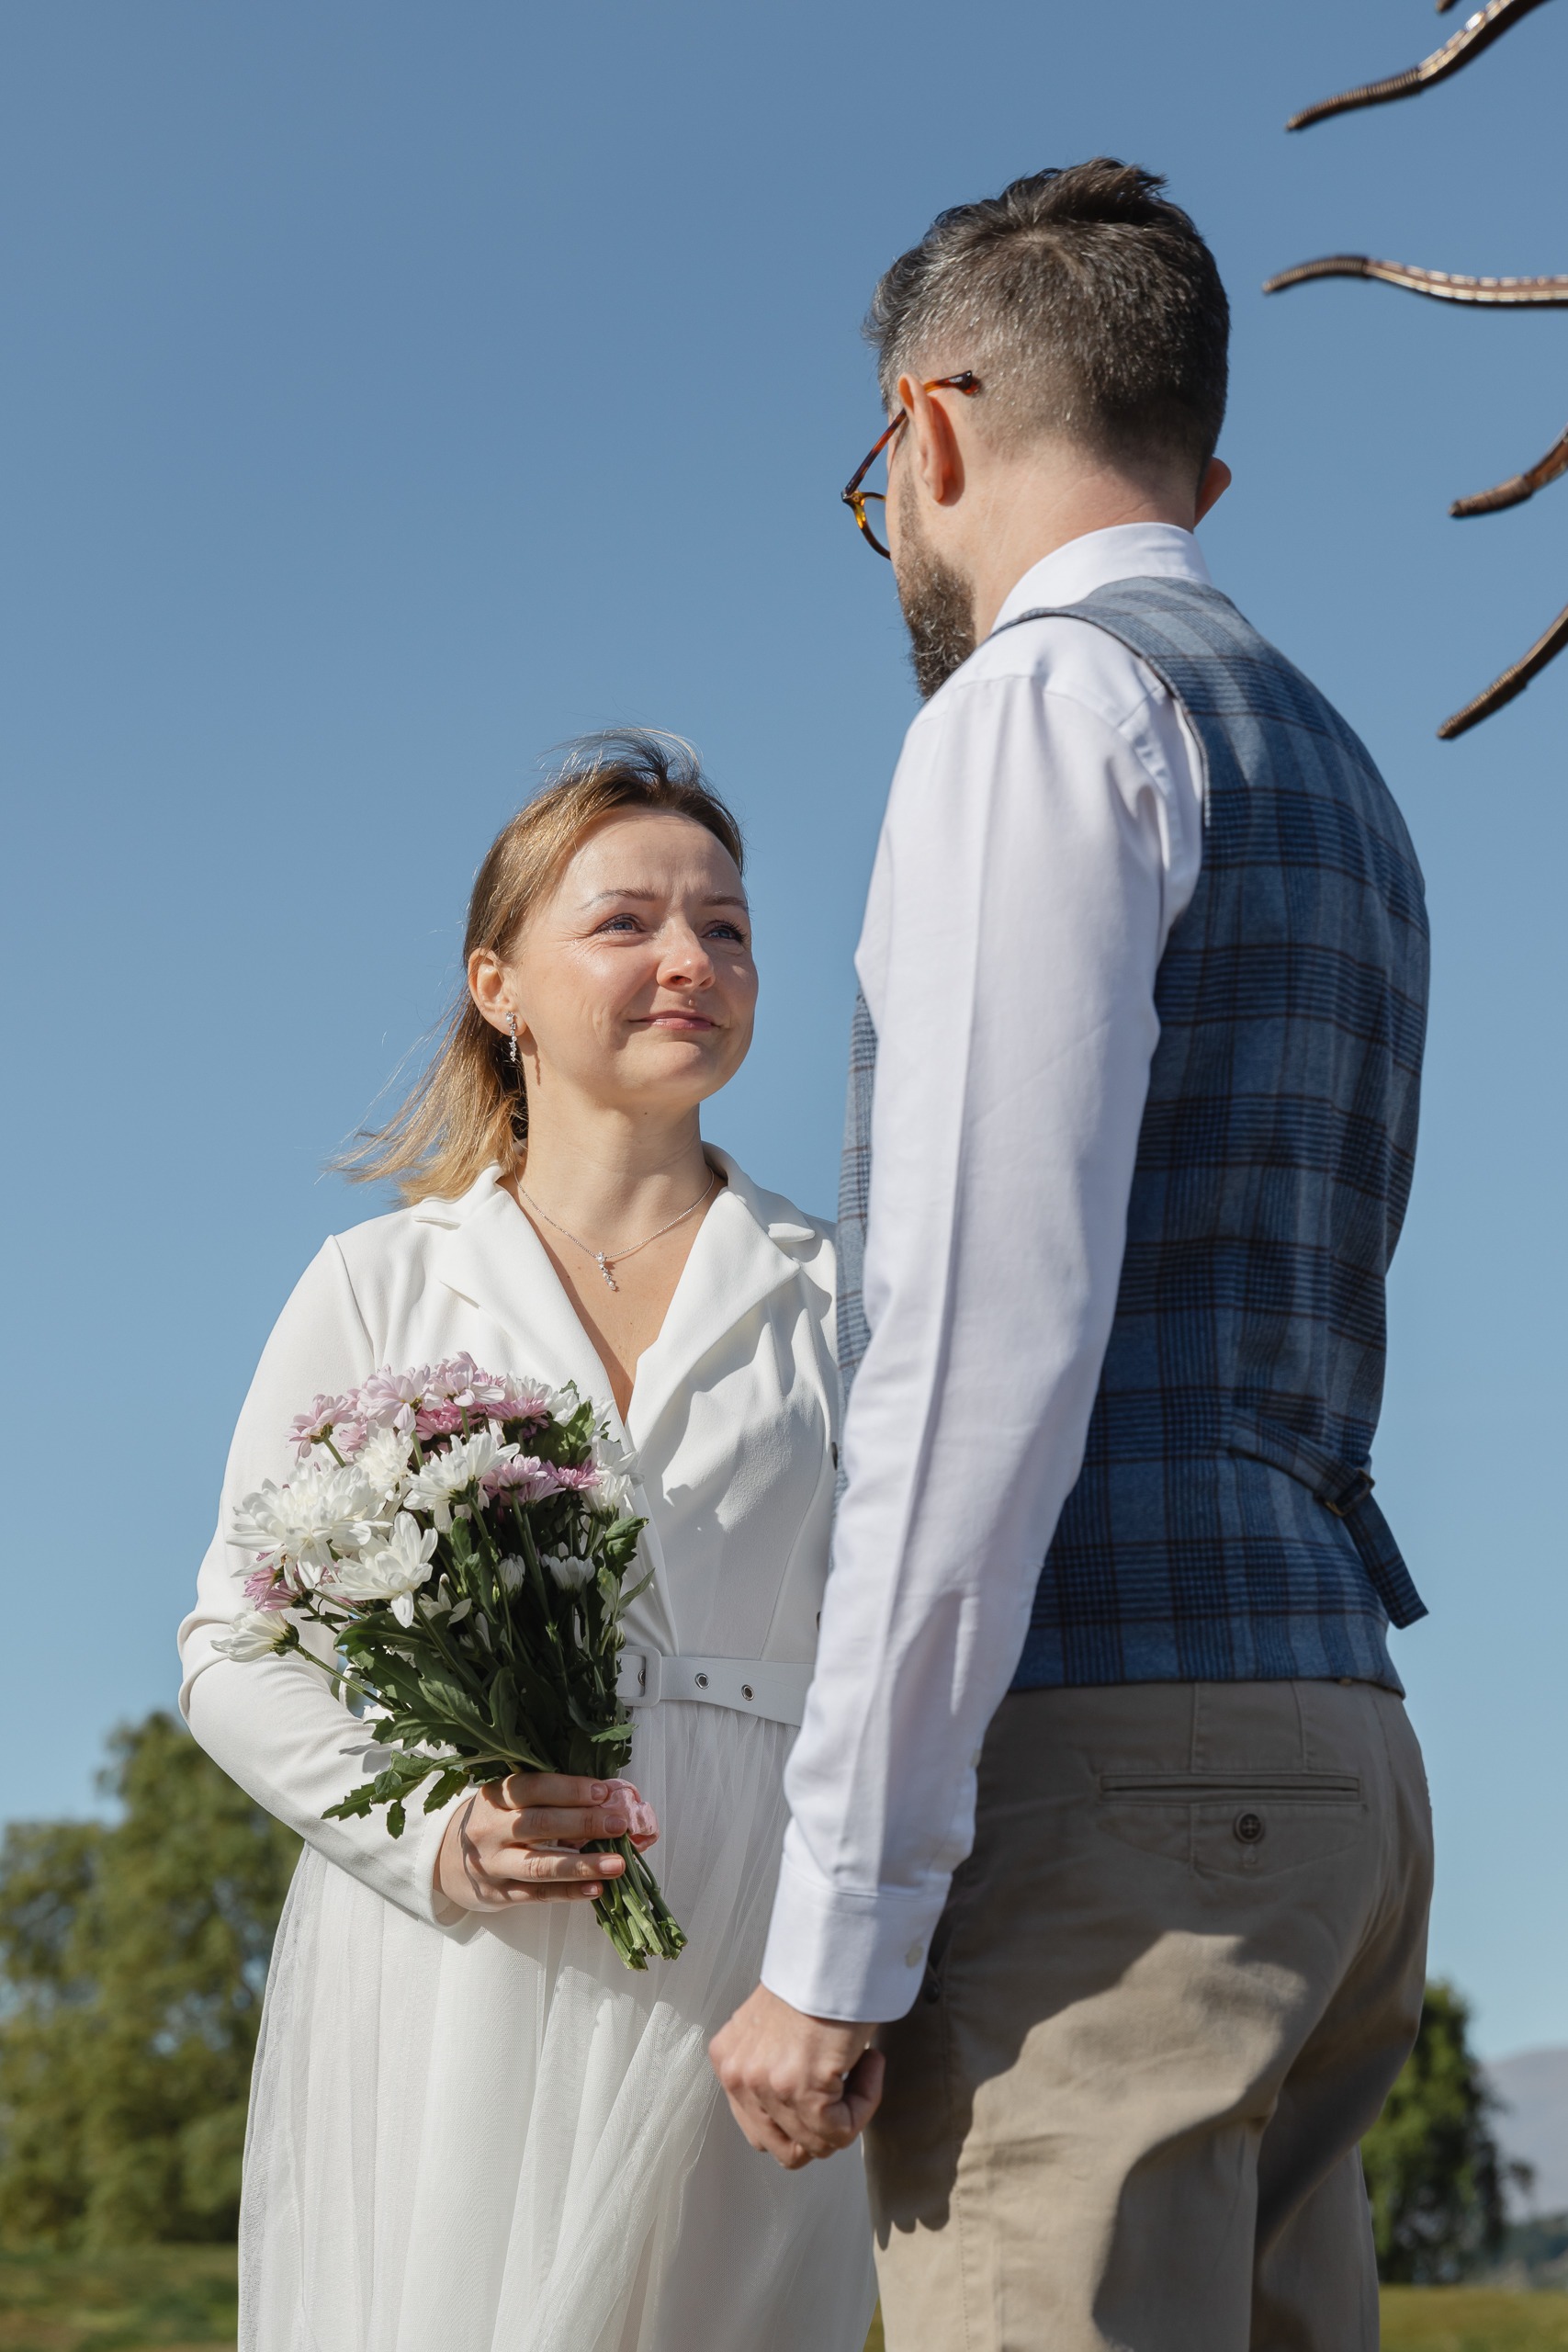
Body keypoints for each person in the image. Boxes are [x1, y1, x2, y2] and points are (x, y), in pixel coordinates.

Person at [711, 161, 1434, 2351]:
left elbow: (973, 1343)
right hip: (1336, 1751)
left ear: (926, 428)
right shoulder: (1328, 756)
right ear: (1198, 461)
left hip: (1116, 1779)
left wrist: (834, 1926)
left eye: (877, 488)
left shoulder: (1032, 716)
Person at [178, 732, 877, 2352]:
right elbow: (232, 1641)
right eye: (627, 923)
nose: (691, 960)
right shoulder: (375, 1284)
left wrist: (875, 1957)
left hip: (758, 1931)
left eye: (730, 927)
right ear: (499, 985)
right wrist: (433, 1827)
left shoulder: (850, 1290)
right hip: (457, 1952)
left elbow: (917, 1646)